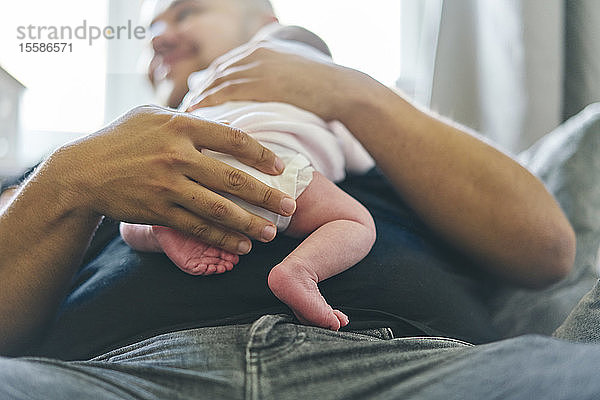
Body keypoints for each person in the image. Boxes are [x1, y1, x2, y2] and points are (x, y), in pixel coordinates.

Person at [4, 0, 600, 399]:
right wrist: (66, 178)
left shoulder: (370, 136)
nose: (159, 34)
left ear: (260, 16)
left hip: (413, 364)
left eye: (186, 8)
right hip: (111, 374)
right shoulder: (92, 162)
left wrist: (350, 93)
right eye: (147, 33)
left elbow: (547, 252)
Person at [120, 21, 376, 331]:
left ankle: (155, 228)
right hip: (277, 166)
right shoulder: (324, 92)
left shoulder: (209, 78)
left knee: (131, 213)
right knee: (356, 222)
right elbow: (361, 160)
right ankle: (300, 271)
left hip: (197, 159)